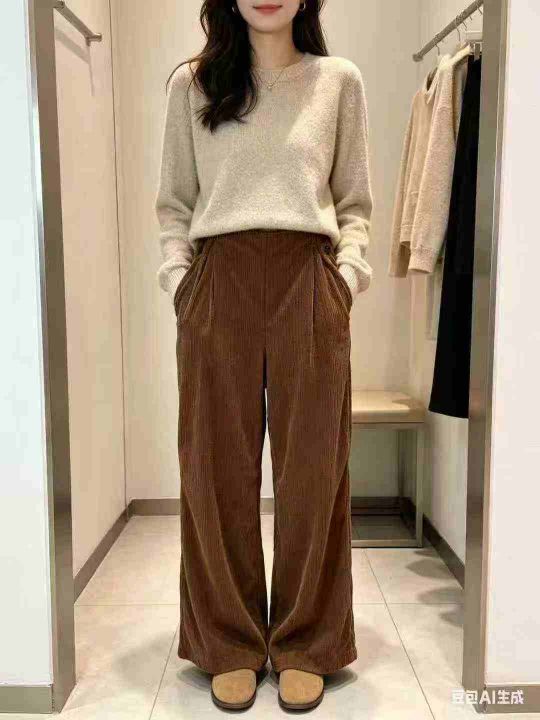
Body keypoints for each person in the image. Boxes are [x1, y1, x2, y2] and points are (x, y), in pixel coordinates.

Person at [155, 0, 373, 711]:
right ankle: (228, 641)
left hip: (309, 280)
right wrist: (181, 283)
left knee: (315, 469)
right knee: (214, 468)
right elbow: (174, 204)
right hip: (218, 281)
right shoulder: (192, 86)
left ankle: (308, 641)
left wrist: (345, 279)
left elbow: (354, 203)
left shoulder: (337, 82)